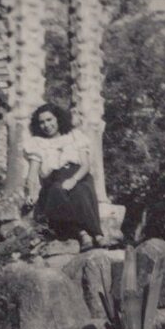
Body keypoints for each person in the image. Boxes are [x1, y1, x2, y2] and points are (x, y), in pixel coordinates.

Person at [23, 103, 106, 251]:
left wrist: (73, 180)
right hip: (54, 178)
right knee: (57, 190)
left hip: (79, 175)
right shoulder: (37, 143)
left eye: (49, 120)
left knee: (80, 191)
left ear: (58, 119)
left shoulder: (75, 136)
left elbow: (86, 165)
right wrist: (30, 192)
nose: (46, 125)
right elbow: (32, 174)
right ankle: (83, 233)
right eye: (42, 122)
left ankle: (97, 235)